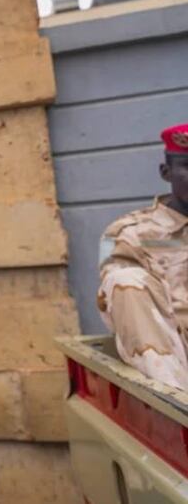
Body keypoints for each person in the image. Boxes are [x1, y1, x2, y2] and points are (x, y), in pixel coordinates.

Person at [98, 122, 188, 391]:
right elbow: (116, 302)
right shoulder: (126, 233)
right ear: (166, 172)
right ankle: (177, 406)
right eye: (187, 166)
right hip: (174, 359)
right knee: (123, 280)